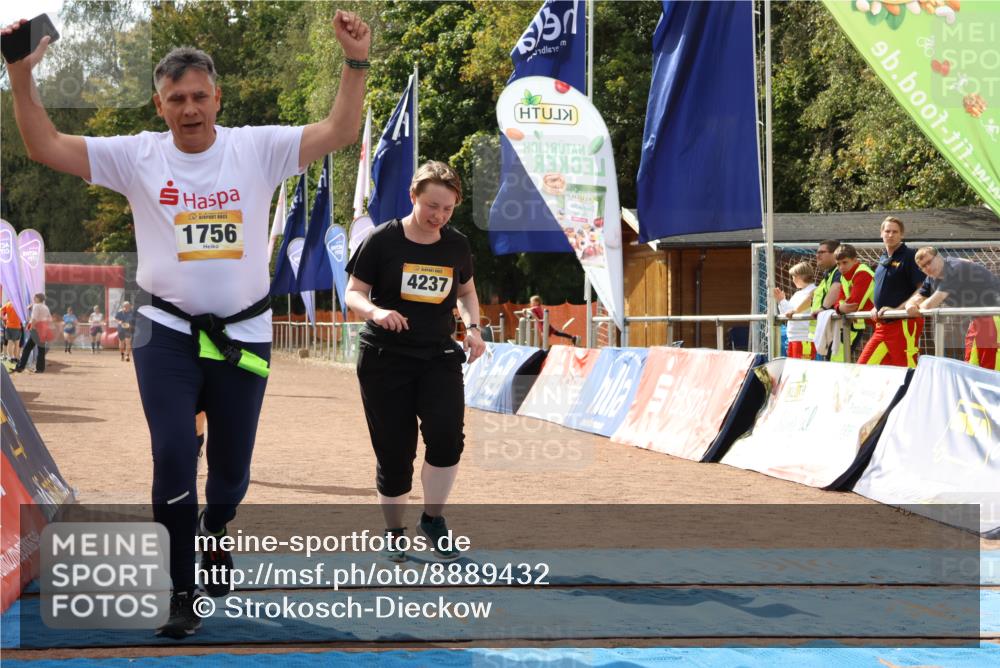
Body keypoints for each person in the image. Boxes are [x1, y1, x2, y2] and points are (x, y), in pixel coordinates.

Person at [3, 8, 370, 639]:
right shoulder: (136, 157)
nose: (190, 108)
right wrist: (21, 75)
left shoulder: (257, 147)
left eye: (200, 96)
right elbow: (45, 147)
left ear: (217, 98)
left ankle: (216, 524)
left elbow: (340, 128)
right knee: (173, 452)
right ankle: (179, 588)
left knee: (230, 473)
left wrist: (355, 61)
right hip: (163, 329)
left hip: (245, 336)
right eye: (177, 99)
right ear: (159, 105)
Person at [345, 161, 486, 563]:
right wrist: (375, 312)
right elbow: (354, 292)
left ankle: (432, 519)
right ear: (413, 197)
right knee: (394, 451)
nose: (438, 216)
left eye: (447, 209)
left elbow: (466, 291)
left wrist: (473, 328)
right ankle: (394, 531)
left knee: (447, 438)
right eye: (432, 206)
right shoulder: (381, 240)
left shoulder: (455, 244)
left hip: (437, 356)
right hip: (384, 359)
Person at [906, 247, 1000, 370]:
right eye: (923, 267)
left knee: (990, 368)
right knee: (972, 367)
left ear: (939, 257)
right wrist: (910, 305)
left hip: (994, 316)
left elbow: (932, 303)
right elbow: (919, 296)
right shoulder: (932, 277)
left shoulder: (955, 268)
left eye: (929, 262)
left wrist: (919, 307)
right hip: (979, 319)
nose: (927, 268)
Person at [857, 217, 926, 368]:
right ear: (881, 233)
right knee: (862, 369)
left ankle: (917, 392)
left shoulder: (910, 256)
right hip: (883, 325)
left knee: (907, 371)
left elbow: (923, 289)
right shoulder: (883, 258)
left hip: (903, 323)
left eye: (895, 232)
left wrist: (898, 310)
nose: (890, 234)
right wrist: (876, 306)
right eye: (887, 231)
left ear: (902, 235)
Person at [830, 244, 875, 361]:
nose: (841, 267)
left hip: (886, 323)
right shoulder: (844, 276)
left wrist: (839, 308)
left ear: (855, 260)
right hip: (871, 323)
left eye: (845, 262)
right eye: (838, 264)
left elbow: (854, 304)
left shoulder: (863, 273)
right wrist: (839, 307)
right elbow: (840, 301)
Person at [775, 262, 817, 359]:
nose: (792, 280)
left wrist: (782, 300)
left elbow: (792, 312)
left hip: (805, 338)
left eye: (793, 276)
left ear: (799, 276)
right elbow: (787, 313)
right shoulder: (798, 294)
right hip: (794, 337)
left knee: (803, 370)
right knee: (794, 370)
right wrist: (781, 301)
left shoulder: (814, 291)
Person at [809, 240, 842, 360]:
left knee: (838, 368)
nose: (817, 255)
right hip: (830, 327)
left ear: (835, 254)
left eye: (822, 252)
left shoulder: (839, 270)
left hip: (842, 327)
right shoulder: (828, 274)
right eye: (817, 252)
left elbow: (836, 288)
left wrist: (823, 309)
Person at [12, 293, 51, 373]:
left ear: (38, 298)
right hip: (43, 329)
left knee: (27, 349)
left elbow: (34, 318)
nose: (34, 298)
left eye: (35, 297)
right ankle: (40, 369)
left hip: (36, 330)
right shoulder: (45, 307)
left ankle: (20, 367)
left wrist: (30, 327)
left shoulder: (36, 306)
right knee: (41, 350)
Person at [2, 298, 23, 363]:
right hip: (17, 326)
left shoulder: (8, 304)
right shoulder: (19, 305)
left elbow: (1, 311)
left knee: (10, 342)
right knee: (17, 343)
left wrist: (3, 318)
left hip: (8, 326)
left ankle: (11, 357)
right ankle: (16, 357)